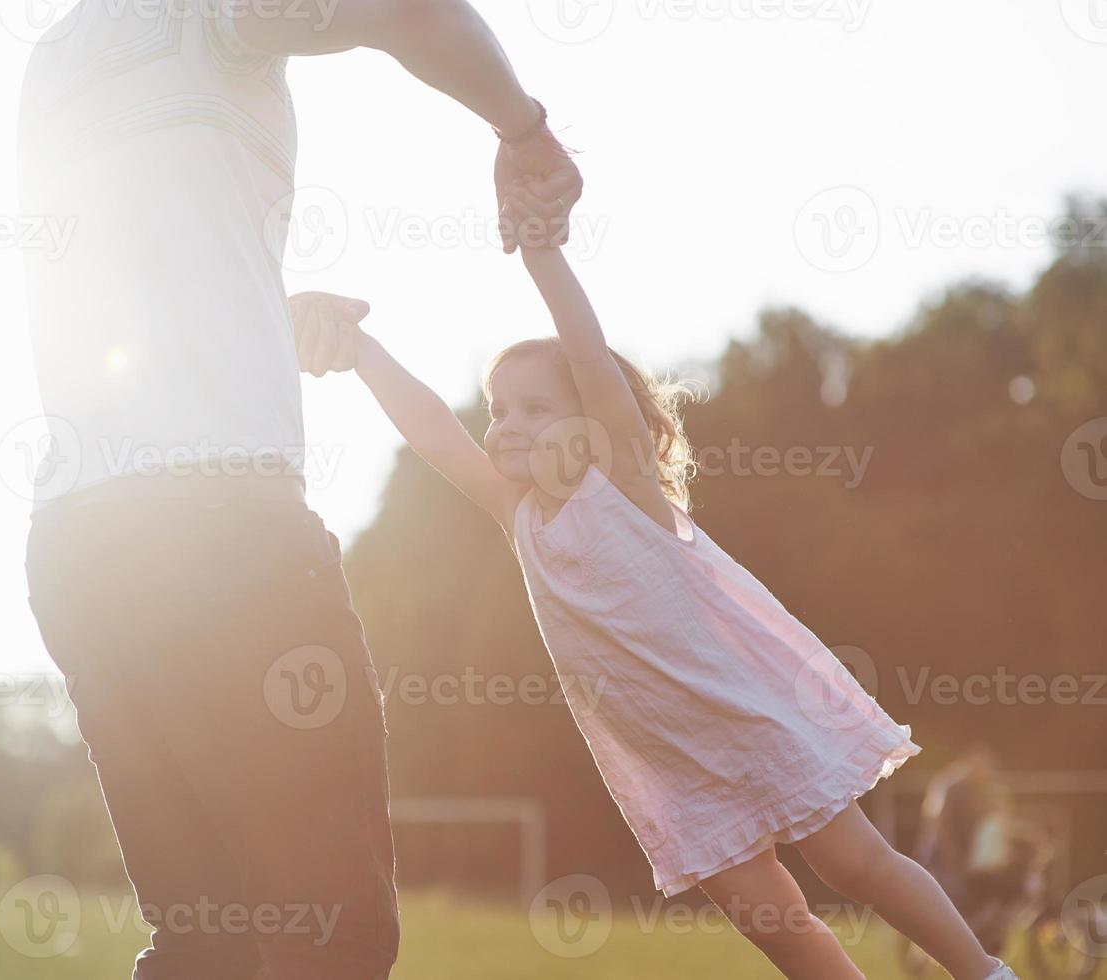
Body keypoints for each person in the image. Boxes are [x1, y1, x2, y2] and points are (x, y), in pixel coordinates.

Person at [289, 183, 1020, 979]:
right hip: (670, 757)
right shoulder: (519, 515)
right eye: (500, 412)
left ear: (591, 423)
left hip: (747, 710)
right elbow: (435, 429)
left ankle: (985, 974)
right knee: (773, 922)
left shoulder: (625, 484)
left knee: (857, 866)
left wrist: (543, 255)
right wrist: (362, 355)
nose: (507, 426)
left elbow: (591, 360)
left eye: (535, 408)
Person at [15, 2, 581, 978]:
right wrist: (523, 132)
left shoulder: (58, 57)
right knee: (331, 927)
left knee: (206, 941)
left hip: (79, 543)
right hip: (215, 532)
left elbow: (133, 274)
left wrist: (262, 321)